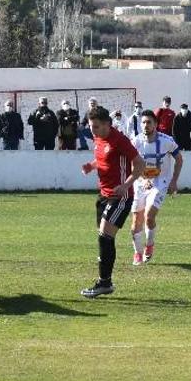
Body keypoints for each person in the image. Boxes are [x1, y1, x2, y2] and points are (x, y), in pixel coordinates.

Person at [79, 106, 144, 297]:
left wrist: (126, 185)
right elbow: (103, 159)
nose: (93, 130)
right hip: (103, 195)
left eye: (96, 126)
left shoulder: (120, 140)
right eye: (91, 126)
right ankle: (105, 281)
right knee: (105, 237)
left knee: (105, 236)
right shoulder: (98, 138)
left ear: (107, 124)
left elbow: (139, 163)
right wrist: (91, 166)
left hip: (120, 197)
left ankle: (104, 282)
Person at [129, 109, 183, 266]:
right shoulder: (136, 142)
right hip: (140, 183)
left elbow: (179, 159)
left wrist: (174, 181)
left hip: (160, 182)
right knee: (135, 224)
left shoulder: (167, 141)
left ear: (156, 125)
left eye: (149, 122)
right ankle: (137, 253)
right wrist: (141, 177)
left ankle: (149, 245)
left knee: (149, 215)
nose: (146, 125)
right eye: (143, 122)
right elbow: (132, 164)